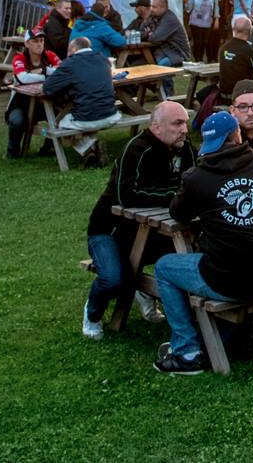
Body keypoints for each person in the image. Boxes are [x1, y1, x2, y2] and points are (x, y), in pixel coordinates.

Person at [153, 111, 253, 374]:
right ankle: (218, 336)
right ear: (237, 136)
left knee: (164, 267)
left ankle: (187, 352)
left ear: (208, 144)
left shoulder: (197, 177)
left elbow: (178, 213)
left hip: (226, 280)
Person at [82, 99, 192, 338]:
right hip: (109, 230)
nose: (184, 129)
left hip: (152, 231)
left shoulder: (185, 148)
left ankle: (149, 294)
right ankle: (93, 313)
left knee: (193, 254)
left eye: (185, 123)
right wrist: (174, 196)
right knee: (113, 279)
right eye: (177, 123)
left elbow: (193, 184)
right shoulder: (136, 149)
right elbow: (127, 195)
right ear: (157, 127)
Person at [40, 37, 124, 164]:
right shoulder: (103, 59)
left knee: (60, 124)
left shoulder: (71, 63)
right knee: (82, 113)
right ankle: (92, 150)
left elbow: (47, 88)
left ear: (73, 49)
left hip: (88, 118)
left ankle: (88, 147)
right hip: (112, 114)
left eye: (68, 51)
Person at [4, 30, 60, 159]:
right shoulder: (19, 58)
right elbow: (22, 78)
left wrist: (44, 70)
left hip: (44, 102)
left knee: (61, 116)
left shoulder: (50, 55)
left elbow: (63, 71)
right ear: (27, 44)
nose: (39, 44)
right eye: (35, 41)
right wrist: (46, 76)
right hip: (20, 102)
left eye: (41, 41)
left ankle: (49, 146)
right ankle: (12, 152)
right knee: (17, 121)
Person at [184, 0, 222, 64]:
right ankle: (198, 59)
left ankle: (202, 58)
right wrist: (186, 2)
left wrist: (217, 19)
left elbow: (216, 7)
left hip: (207, 22)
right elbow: (189, 8)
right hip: (195, 22)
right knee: (198, 42)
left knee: (205, 42)